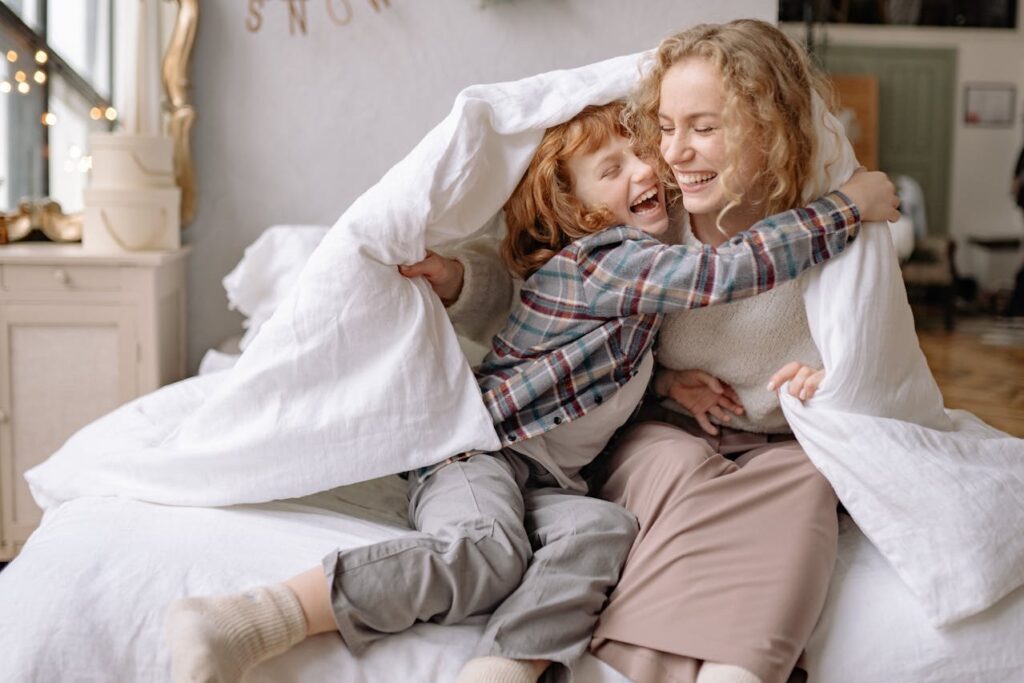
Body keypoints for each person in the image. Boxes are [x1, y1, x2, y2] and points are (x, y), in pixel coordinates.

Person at [164, 100, 896, 683]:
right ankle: (247, 619)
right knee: (486, 550)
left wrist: (668, 383)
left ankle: (501, 667)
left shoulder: (634, 292)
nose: (644, 169)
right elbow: (722, 273)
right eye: (612, 168)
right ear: (579, 213)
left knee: (603, 531)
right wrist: (845, 207)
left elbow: (569, 359)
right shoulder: (610, 260)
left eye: (643, 152)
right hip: (477, 458)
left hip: (543, 475)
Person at [412, 20, 901, 683]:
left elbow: (874, 348)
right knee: (664, 468)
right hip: (666, 433)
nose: (672, 155)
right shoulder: (649, 221)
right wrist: (460, 281)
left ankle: (738, 662)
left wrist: (837, 377)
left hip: (783, 439)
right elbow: (544, 295)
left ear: (770, 125)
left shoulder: (817, 220)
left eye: (704, 128)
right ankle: (639, 657)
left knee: (802, 486)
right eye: (666, 129)